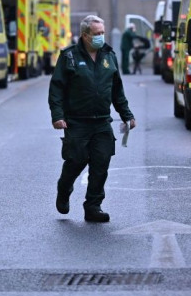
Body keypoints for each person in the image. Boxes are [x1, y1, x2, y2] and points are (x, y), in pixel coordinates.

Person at [48, 15, 136, 223]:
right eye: (97, 34)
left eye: (102, 33)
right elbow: (56, 89)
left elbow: (117, 90)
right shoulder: (69, 57)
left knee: (101, 163)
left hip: (102, 121)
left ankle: (93, 206)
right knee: (76, 161)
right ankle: (64, 188)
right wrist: (57, 116)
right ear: (85, 35)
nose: (101, 37)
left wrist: (127, 115)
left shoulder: (109, 56)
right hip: (77, 121)